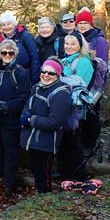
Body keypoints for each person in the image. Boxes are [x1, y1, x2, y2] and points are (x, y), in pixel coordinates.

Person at [0, 39, 30, 196]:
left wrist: (5, 107)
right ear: (0, 54)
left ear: (15, 54)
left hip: (10, 117)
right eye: (4, 52)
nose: (7, 55)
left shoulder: (20, 72)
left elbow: (23, 97)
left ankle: (10, 182)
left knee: (10, 149)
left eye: (10, 52)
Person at [20, 58, 71, 193]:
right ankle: (41, 197)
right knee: (36, 171)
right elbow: (27, 106)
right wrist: (24, 115)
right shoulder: (38, 87)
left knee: (43, 174)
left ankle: (46, 199)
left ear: (58, 75)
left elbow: (55, 122)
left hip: (46, 143)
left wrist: (31, 120)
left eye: (51, 73)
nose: (46, 75)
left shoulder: (61, 94)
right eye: (43, 71)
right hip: (33, 139)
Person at [58, 32, 94, 182]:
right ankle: (65, 173)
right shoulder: (64, 61)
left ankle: (80, 174)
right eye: (67, 43)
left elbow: (80, 84)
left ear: (80, 45)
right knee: (63, 141)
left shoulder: (84, 62)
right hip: (62, 105)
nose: (69, 46)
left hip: (75, 108)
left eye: (73, 44)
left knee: (73, 142)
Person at [75, 7, 108, 150]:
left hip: (94, 83)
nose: (82, 25)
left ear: (91, 23)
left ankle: (90, 144)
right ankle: (79, 144)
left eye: (85, 22)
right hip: (79, 81)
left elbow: (103, 65)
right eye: (80, 23)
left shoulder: (99, 40)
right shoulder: (75, 37)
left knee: (92, 115)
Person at [0, 10, 40, 84]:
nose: (6, 27)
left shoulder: (25, 36)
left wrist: (33, 81)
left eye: (9, 24)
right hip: (4, 76)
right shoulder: (0, 39)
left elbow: (34, 58)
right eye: (3, 25)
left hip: (23, 76)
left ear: (14, 24)